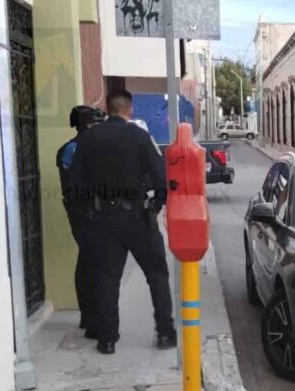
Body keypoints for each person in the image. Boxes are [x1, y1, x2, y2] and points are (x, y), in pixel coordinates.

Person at [69, 90, 176, 354]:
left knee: (107, 279)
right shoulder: (139, 137)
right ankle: (165, 331)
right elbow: (161, 176)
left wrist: (90, 214)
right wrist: (157, 204)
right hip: (138, 217)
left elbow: (74, 183)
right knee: (157, 274)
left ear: (107, 109)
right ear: (130, 110)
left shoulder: (89, 138)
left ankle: (107, 340)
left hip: (103, 219)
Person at [57, 105, 106, 339]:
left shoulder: (79, 147)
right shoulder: (74, 149)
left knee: (89, 261)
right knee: (92, 262)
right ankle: (91, 316)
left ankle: (90, 315)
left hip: (89, 212)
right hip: (85, 213)